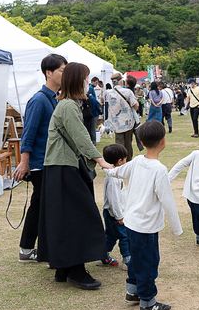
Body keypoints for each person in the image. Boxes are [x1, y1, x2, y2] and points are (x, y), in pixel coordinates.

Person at [37, 62, 114, 290]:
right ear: (77, 80)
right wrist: (100, 159)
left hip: (61, 167)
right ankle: (76, 270)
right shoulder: (69, 106)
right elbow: (81, 136)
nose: (88, 83)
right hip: (63, 168)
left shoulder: (67, 104)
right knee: (80, 217)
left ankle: (65, 268)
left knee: (65, 218)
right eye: (86, 79)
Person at [105, 121, 182, 310]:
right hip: (146, 227)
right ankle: (148, 302)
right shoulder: (159, 169)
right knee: (148, 262)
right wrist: (177, 228)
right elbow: (168, 201)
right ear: (163, 141)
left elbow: (118, 172)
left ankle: (132, 291)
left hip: (132, 223)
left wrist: (107, 169)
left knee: (137, 259)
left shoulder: (138, 161)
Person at [14, 54, 68, 264]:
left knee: (42, 205)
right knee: (39, 205)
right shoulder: (38, 100)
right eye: (61, 70)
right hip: (39, 162)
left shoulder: (55, 99)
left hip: (49, 161)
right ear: (49, 72)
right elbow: (29, 133)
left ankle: (35, 248)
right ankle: (27, 248)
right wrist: (24, 161)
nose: (64, 74)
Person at [101, 143, 131, 269]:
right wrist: (119, 216)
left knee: (111, 236)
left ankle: (102, 254)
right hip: (114, 214)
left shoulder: (114, 174)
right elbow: (114, 200)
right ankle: (128, 260)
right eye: (125, 159)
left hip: (112, 213)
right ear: (119, 161)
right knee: (125, 236)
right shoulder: (113, 178)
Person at [106, 74, 140, 159]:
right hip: (128, 122)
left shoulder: (107, 93)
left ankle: (119, 161)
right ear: (120, 80)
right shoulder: (128, 92)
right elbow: (136, 106)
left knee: (119, 143)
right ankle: (128, 161)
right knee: (128, 143)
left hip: (116, 122)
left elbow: (103, 102)